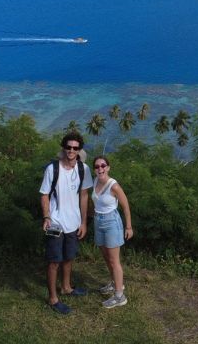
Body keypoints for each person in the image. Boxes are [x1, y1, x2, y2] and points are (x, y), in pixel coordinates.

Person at [40, 131, 93, 314]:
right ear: (63, 148)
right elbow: (44, 195)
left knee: (69, 257)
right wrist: (46, 217)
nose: (71, 151)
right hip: (55, 222)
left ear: (79, 150)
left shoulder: (83, 169)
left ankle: (66, 287)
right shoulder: (52, 169)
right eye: (68, 147)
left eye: (75, 148)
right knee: (54, 260)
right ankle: (53, 298)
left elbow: (84, 196)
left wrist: (83, 222)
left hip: (74, 222)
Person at [90, 155, 133, 308]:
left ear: (108, 167)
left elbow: (125, 206)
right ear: (94, 169)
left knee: (114, 261)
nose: (100, 169)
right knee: (106, 257)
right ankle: (115, 283)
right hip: (98, 221)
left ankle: (120, 296)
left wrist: (129, 227)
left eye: (103, 165)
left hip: (111, 222)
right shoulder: (94, 181)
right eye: (97, 166)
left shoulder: (113, 186)